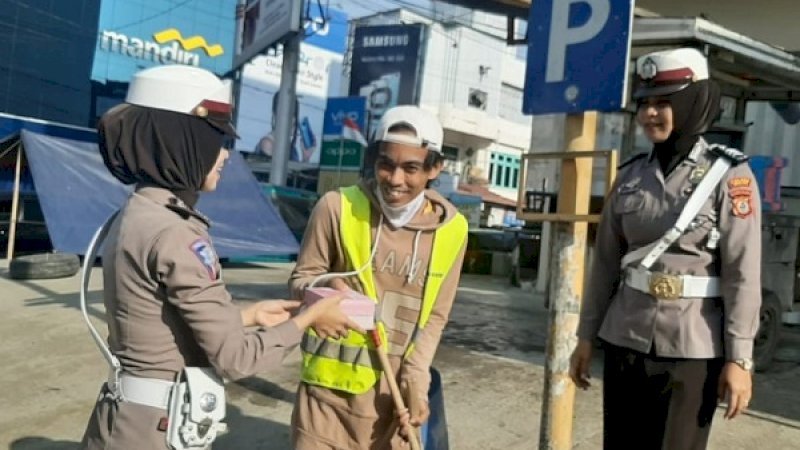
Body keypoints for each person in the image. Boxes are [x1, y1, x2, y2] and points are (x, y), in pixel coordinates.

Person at [79, 65, 360, 450]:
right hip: (155, 433)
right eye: (217, 141)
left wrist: (247, 316)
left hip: (124, 420)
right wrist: (311, 318)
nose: (226, 154)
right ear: (182, 142)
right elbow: (236, 358)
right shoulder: (176, 232)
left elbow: (157, 321)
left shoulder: (138, 212)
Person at [569, 48, 762, 450]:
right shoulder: (629, 177)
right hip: (626, 340)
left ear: (692, 103)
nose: (650, 115)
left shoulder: (730, 176)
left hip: (693, 348)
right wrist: (585, 336)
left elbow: (743, 275)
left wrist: (739, 359)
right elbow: (604, 263)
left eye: (663, 103)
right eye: (644, 104)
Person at [289, 105, 469, 449]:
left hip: (395, 407)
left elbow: (435, 317)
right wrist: (324, 288)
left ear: (436, 168)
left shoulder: (453, 230)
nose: (395, 179)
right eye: (386, 164)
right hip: (325, 402)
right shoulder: (335, 207)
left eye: (411, 168)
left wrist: (416, 383)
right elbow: (300, 281)